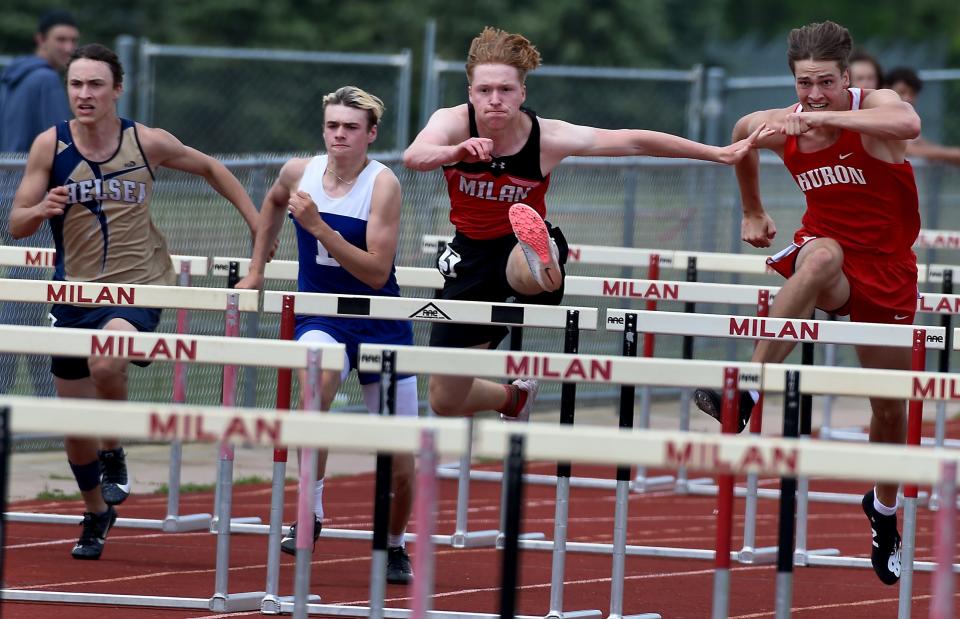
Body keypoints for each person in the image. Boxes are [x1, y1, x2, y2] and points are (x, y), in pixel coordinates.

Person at [402, 26, 769, 421]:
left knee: (524, 268)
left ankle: (543, 260)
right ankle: (514, 399)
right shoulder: (453, 123)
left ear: (522, 93)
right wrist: (454, 150)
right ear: (470, 93)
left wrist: (716, 153)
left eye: (505, 90)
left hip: (518, 245)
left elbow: (633, 141)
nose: (495, 100)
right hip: (469, 258)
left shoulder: (548, 137)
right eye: (484, 91)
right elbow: (415, 156)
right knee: (445, 399)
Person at [7, 43, 263, 560]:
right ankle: (97, 511)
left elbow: (213, 168)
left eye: (95, 84)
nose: (85, 94)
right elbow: (16, 225)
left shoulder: (145, 142)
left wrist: (260, 228)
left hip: (137, 287)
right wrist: (42, 207)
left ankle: (115, 449)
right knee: (73, 431)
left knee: (108, 359)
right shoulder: (49, 146)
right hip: (74, 293)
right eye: (76, 84)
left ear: (117, 89)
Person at [692, 21, 921, 586]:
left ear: (847, 77)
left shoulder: (876, 108)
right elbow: (742, 136)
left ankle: (884, 511)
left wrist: (827, 117)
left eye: (824, 82)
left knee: (890, 410)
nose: (812, 94)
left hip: (887, 269)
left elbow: (909, 123)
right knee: (819, 257)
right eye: (803, 84)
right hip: (830, 257)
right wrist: (752, 208)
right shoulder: (783, 122)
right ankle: (746, 388)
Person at [236, 86, 416, 585]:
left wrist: (318, 227)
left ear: (371, 134)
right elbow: (271, 204)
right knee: (317, 376)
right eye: (333, 125)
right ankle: (309, 511)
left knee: (402, 461)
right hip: (321, 316)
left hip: (380, 318)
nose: (340, 135)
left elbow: (377, 273)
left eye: (351, 127)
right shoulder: (300, 172)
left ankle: (396, 544)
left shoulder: (383, 185)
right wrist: (257, 269)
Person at [0, 9, 79, 398]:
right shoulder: (46, 80)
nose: (68, 48)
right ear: (40, 40)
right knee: (35, 307)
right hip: (31, 204)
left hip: (7, 198)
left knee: (13, 301)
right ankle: (50, 412)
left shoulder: (11, 77)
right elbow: (62, 148)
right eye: (61, 40)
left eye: (72, 41)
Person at [884, 66, 960, 165]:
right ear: (885, 90)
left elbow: (924, 145)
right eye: (902, 92)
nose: (908, 98)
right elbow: (908, 150)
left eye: (912, 94)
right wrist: (952, 154)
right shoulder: (881, 120)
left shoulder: (906, 122)